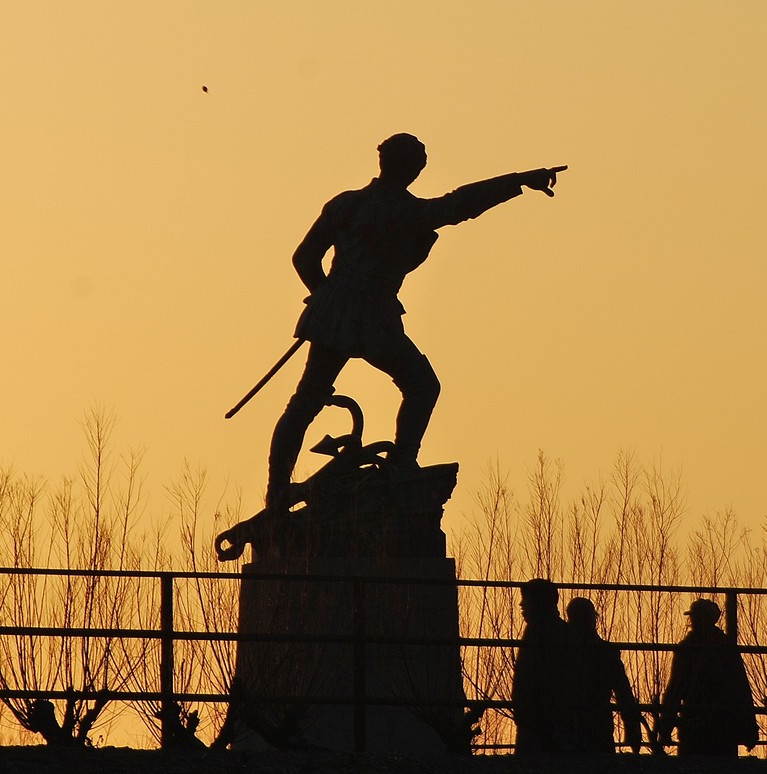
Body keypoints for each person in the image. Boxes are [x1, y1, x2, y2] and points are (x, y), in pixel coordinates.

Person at [265, 133, 566, 510]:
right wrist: (519, 180)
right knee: (422, 385)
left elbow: (305, 258)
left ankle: (276, 490)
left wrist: (326, 295)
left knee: (305, 402)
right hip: (372, 316)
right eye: (419, 160)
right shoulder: (406, 212)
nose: (422, 166)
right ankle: (404, 462)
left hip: (336, 313)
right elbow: (461, 204)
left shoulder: (344, 204)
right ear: (409, 166)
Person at [658, 598, 759, 757]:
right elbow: (741, 688)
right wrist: (749, 728)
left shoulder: (688, 648)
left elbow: (675, 689)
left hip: (694, 723)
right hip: (722, 725)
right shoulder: (725, 647)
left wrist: (665, 726)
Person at [561, 597, 642, 754]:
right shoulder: (605, 651)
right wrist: (632, 729)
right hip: (598, 724)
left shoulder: (562, 650)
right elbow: (623, 692)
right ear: (593, 618)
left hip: (567, 726)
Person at [511, 579, 570, 754]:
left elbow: (527, 679)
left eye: (526, 599)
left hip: (538, 723)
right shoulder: (561, 632)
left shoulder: (537, 632)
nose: (521, 604)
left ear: (537, 602)